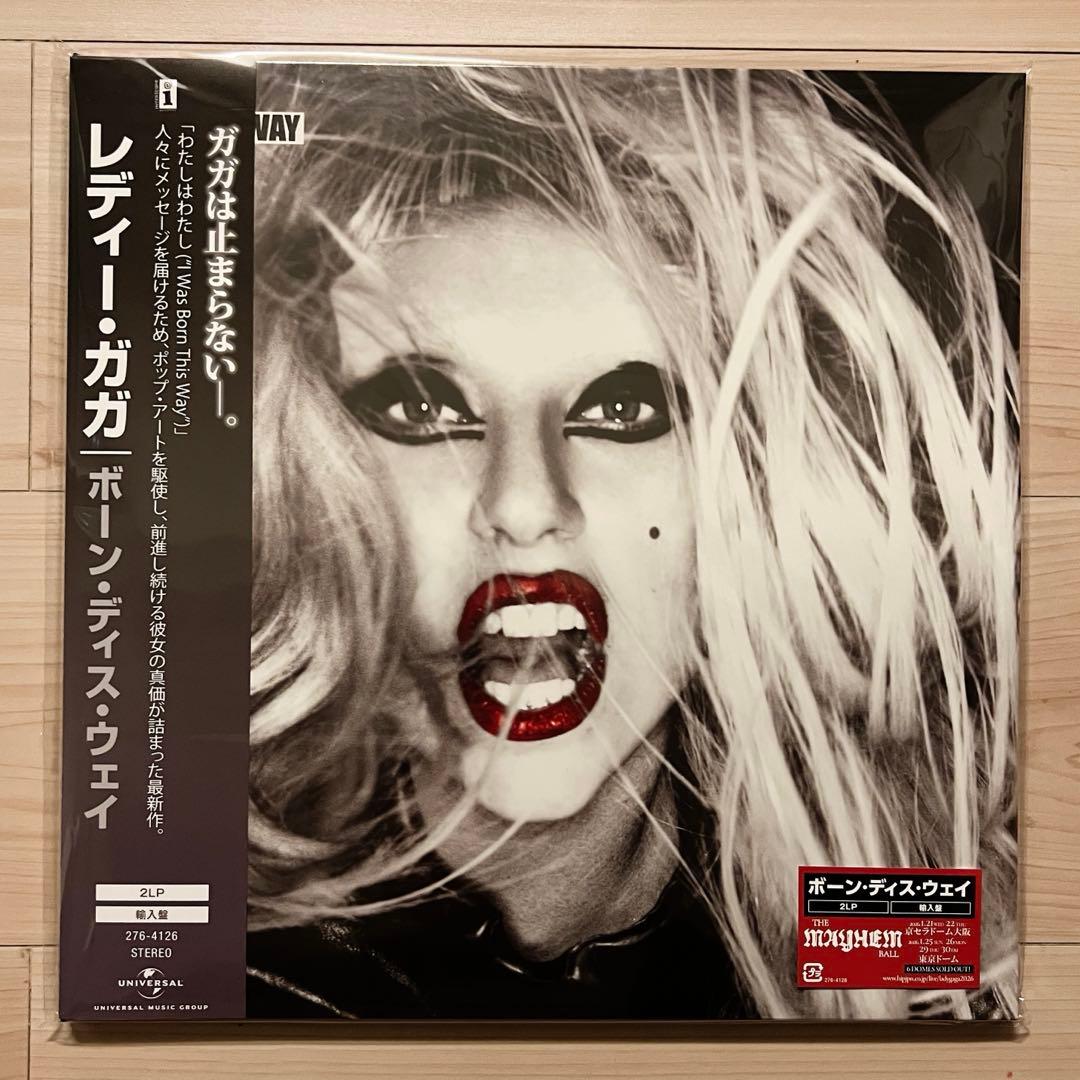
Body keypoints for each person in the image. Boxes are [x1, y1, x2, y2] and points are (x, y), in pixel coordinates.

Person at [245, 63, 1020, 1020]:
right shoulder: (227, 965)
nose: (525, 502)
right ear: (308, 474)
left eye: (622, 408)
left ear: (744, 484)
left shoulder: (852, 885)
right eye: (423, 407)